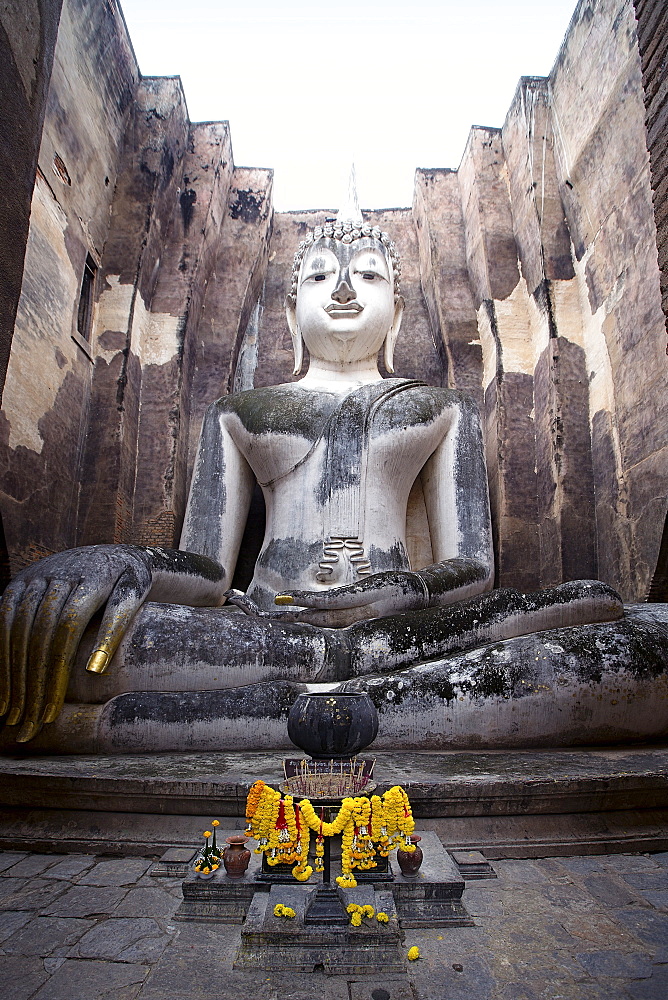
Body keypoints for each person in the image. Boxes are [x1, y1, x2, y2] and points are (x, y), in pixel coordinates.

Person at [0, 214, 621, 745]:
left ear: (397, 313)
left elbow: (475, 569)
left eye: (369, 276)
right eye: (320, 275)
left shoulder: (439, 407)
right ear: (292, 309)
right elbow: (210, 574)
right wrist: (125, 563)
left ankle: (211, 718)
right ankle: (368, 702)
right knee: (71, 643)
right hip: (267, 629)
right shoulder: (241, 413)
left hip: (401, 634)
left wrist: (410, 590)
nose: (345, 290)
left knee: (630, 640)